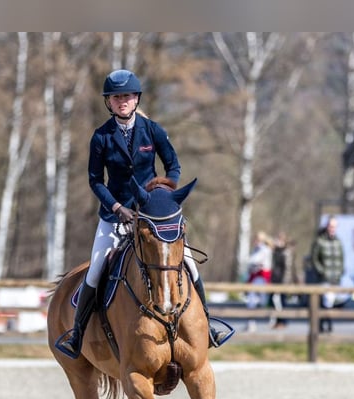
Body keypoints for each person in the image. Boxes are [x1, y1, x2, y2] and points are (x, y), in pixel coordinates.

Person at [58, 69, 231, 358]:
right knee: (96, 271)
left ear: (136, 98)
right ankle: (77, 335)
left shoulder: (153, 131)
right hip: (115, 216)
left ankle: (209, 325)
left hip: (152, 214)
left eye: (126, 96)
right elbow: (95, 180)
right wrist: (116, 207)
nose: (122, 101)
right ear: (109, 103)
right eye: (116, 97)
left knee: (188, 261)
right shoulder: (101, 137)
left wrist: (163, 192)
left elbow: (173, 165)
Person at [309, 216, 345, 332]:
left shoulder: (338, 242)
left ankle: (325, 323)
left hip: (335, 278)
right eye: (330, 226)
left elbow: (341, 259)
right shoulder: (320, 241)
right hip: (324, 278)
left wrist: (340, 271)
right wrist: (322, 272)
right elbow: (314, 259)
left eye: (334, 226)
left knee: (330, 301)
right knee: (326, 300)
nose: (332, 229)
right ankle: (326, 324)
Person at [269, 232, 299, 329]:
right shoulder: (276, 252)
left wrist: (283, 283)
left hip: (282, 281)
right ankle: (278, 320)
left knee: (283, 301)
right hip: (275, 280)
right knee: (274, 301)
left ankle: (283, 321)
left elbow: (287, 269)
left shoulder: (286, 252)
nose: (277, 241)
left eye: (280, 240)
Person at [245, 232, 273, 332]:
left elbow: (255, 260)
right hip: (256, 278)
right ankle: (251, 324)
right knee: (251, 300)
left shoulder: (264, 249)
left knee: (264, 301)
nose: (255, 241)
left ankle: (272, 319)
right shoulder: (256, 249)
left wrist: (249, 260)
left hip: (262, 278)